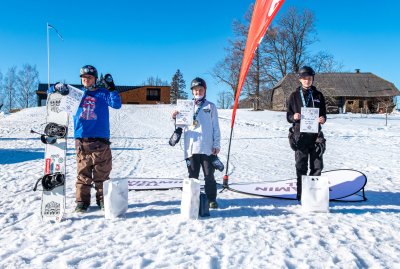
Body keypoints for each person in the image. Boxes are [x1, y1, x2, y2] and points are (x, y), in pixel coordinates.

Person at [48, 65, 122, 212]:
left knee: (102, 174)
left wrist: (112, 89)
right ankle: (82, 202)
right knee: (83, 174)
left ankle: (103, 201)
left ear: (95, 79)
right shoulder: (75, 93)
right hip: (82, 140)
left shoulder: (102, 93)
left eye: (89, 77)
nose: (86, 80)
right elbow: (50, 92)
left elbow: (117, 104)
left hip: (101, 141)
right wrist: (57, 87)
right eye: (83, 78)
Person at [172, 77, 221, 209]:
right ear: (192, 92)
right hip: (191, 148)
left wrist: (216, 145)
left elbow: (216, 127)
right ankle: (193, 199)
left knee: (209, 175)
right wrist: (175, 118)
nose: (198, 92)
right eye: (195, 90)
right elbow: (181, 126)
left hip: (207, 148)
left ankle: (211, 199)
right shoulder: (186, 106)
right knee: (193, 175)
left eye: (200, 89)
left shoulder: (211, 106)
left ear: (205, 90)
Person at [286, 66, 327, 201]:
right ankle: (302, 195)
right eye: (304, 78)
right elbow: (288, 116)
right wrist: (294, 117)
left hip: (315, 137)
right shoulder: (294, 96)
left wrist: (323, 119)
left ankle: (314, 195)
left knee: (317, 167)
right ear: (300, 80)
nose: (307, 81)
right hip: (300, 136)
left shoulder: (318, 95)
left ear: (312, 79)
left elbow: (323, 115)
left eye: (309, 78)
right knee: (301, 167)